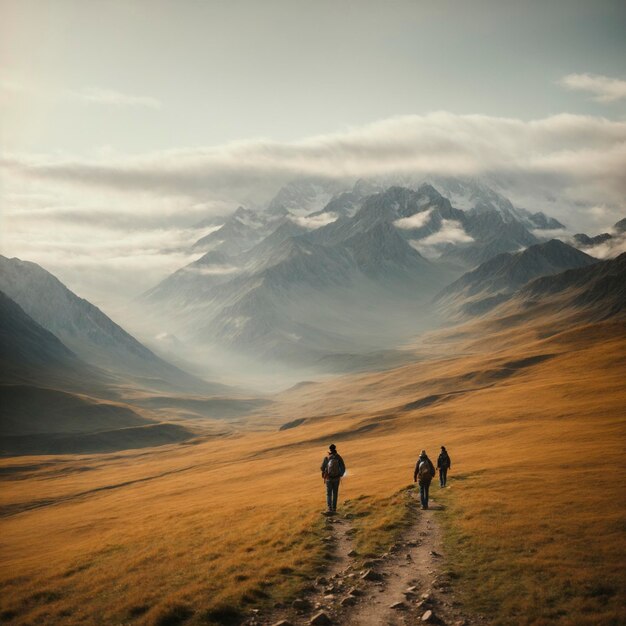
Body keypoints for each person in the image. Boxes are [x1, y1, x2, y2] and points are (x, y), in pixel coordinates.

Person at [320, 444, 346, 514]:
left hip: (328, 478)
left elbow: (322, 468)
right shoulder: (339, 457)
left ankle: (329, 508)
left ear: (330, 449)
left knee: (328, 494)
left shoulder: (327, 457)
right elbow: (343, 467)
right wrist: (340, 474)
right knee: (335, 493)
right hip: (336, 479)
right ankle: (334, 509)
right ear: (335, 449)